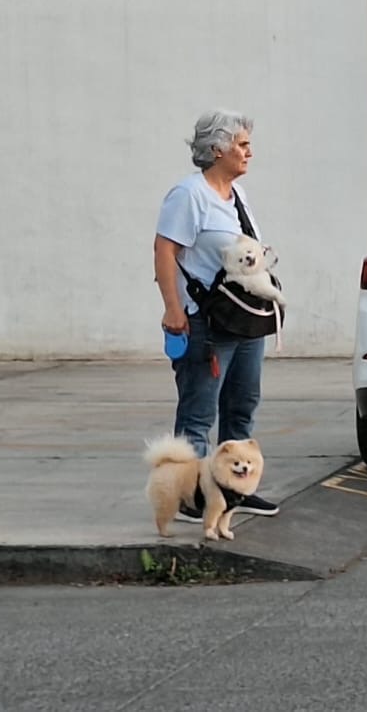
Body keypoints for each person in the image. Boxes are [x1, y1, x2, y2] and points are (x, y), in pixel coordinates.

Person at [154, 110, 280, 522]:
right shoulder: (189, 195)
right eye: (241, 145)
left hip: (244, 320)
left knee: (242, 404)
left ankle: (232, 491)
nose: (249, 153)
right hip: (206, 322)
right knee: (199, 412)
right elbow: (164, 250)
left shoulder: (236, 197)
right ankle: (190, 496)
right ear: (216, 150)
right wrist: (174, 308)